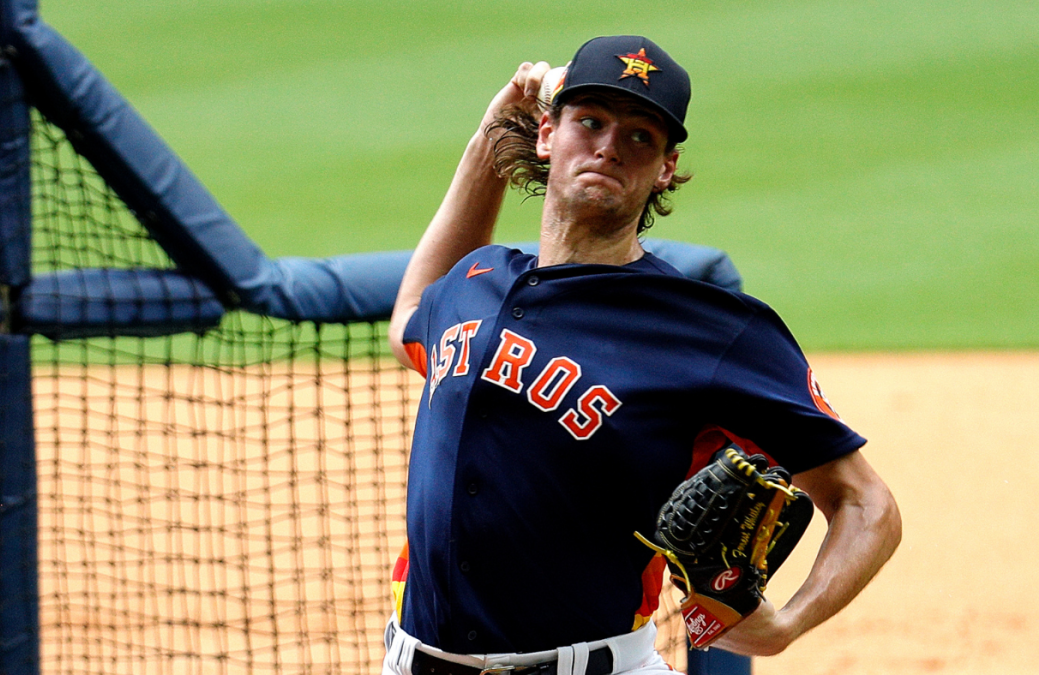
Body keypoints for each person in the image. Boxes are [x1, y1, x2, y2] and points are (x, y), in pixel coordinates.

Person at [383, 35, 901, 675]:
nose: (607, 146)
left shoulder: (709, 329)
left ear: (664, 168)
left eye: (638, 137)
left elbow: (866, 503)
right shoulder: (474, 281)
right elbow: (409, 320)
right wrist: (492, 132)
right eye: (590, 122)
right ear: (547, 135)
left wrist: (787, 626)